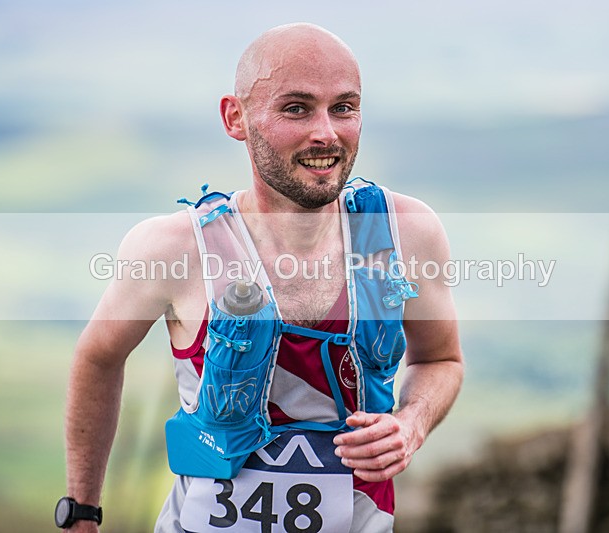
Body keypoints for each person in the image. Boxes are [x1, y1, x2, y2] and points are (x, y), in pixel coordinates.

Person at [61, 22, 463, 533]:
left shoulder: (406, 233)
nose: (326, 132)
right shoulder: (176, 247)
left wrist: (412, 423)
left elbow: (441, 359)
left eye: (344, 107)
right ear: (236, 118)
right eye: (296, 108)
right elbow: (99, 355)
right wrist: (81, 512)